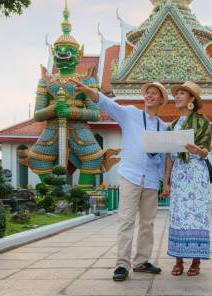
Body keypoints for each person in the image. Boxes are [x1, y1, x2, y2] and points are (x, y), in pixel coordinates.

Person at [70, 78, 168, 282]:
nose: (149, 95)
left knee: (147, 224)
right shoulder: (131, 114)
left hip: (150, 179)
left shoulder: (164, 127)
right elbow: (108, 104)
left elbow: (165, 156)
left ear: (161, 100)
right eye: (147, 92)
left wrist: (164, 182)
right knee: (126, 220)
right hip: (131, 175)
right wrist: (89, 91)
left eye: (154, 93)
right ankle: (122, 264)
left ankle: (142, 261)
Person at [162, 81, 212, 276]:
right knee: (178, 216)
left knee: (196, 216)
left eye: (182, 93)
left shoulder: (202, 122)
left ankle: (196, 261)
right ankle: (178, 260)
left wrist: (197, 150)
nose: (178, 96)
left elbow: (206, 151)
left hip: (196, 171)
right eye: (177, 93)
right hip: (179, 174)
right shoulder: (172, 126)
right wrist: (165, 182)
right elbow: (169, 156)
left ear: (192, 99)